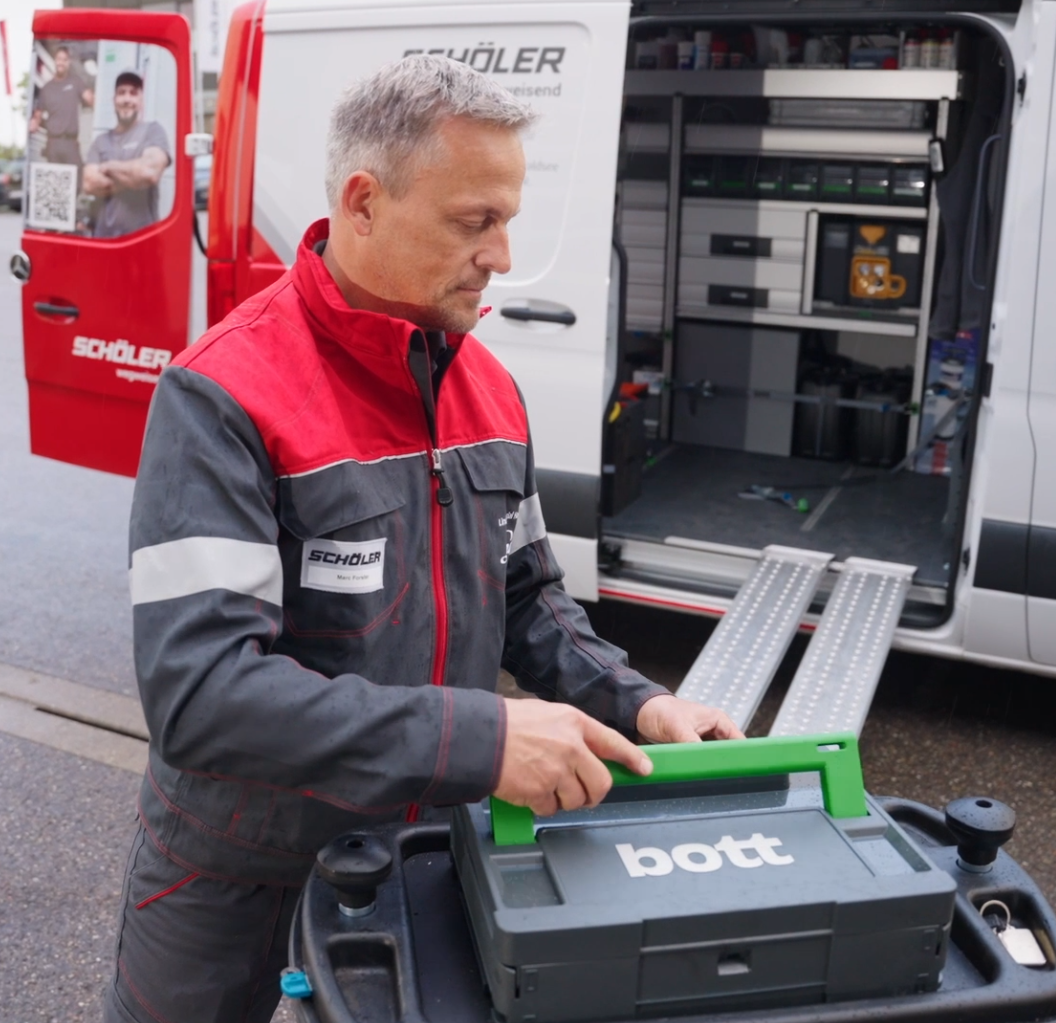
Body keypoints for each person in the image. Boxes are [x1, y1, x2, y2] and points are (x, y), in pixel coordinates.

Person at [103, 55, 742, 1023]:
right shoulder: (223, 397)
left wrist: (644, 704)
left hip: (420, 860)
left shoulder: (489, 392)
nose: (502, 254)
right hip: (235, 872)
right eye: (474, 221)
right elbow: (202, 696)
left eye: (509, 218)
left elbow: (531, 600)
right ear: (363, 203)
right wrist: (483, 740)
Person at [82, 71, 170, 238]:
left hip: (142, 242)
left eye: (133, 93)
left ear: (141, 101)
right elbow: (89, 184)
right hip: (104, 241)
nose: (127, 99)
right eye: (121, 93)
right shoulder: (101, 141)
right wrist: (134, 178)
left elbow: (149, 173)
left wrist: (107, 167)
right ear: (114, 100)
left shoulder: (153, 131)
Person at [28, 45, 93, 167]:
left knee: (77, 180)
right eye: (59, 59)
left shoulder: (76, 82)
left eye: (65, 59)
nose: (61, 62)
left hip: (71, 143)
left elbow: (90, 99)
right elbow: (38, 114)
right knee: (54, 182)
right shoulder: (46, 89)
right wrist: (33, 123)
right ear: (55, 61)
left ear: (68, 62)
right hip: (53, 143)